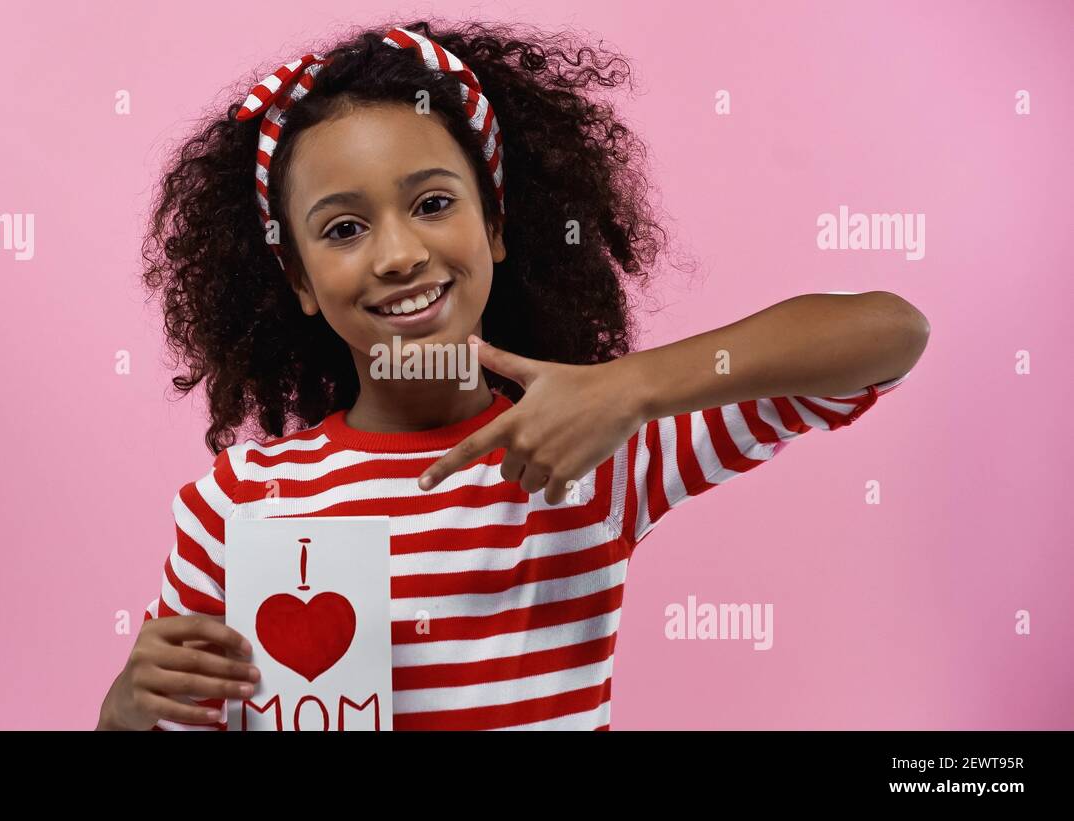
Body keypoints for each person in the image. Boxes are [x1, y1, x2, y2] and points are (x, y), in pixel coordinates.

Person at [96, 20, 929, 731]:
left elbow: (890, 333)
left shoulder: (594, 447)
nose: (398, 255)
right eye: (344, 227)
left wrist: (629, 388)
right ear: (302, 284)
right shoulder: (241, 500)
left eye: (432, 203)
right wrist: (132, 702)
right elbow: (164, 713)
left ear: (496, 225)